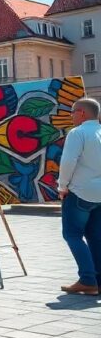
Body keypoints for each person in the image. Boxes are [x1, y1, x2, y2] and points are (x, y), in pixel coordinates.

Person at [57, 97, 101, 295]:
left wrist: (62, 186)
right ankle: (97, 281)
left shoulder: (78, 133)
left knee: (72, 234)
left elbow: (68, 162)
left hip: (80, 192)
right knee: (95, 236)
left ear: (82, 112)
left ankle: (87, 280)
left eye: (73, 111)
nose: (71, 115)